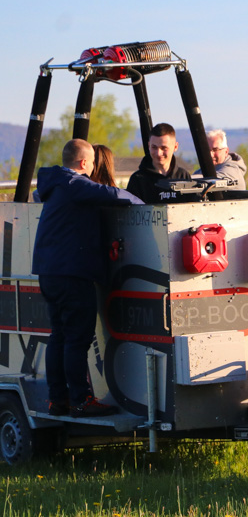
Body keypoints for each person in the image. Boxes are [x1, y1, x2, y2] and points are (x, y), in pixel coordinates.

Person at [32, 139, 143, 417]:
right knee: (77, 339)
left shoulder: (55, 184)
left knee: (59, 336)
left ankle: (58, 400)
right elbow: (116, 195)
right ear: (84, 163)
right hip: (72, 274)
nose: (94, 167)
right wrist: (143, 204)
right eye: (92, 162)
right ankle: (81, 400)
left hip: (49, 272)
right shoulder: (76, 185)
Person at [126, 123, 192, 203]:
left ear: (175, 147)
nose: (158, 153)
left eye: (164, 148)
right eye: (154, 147)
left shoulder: (183, 176)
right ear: (149, 146)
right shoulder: (137, 180)